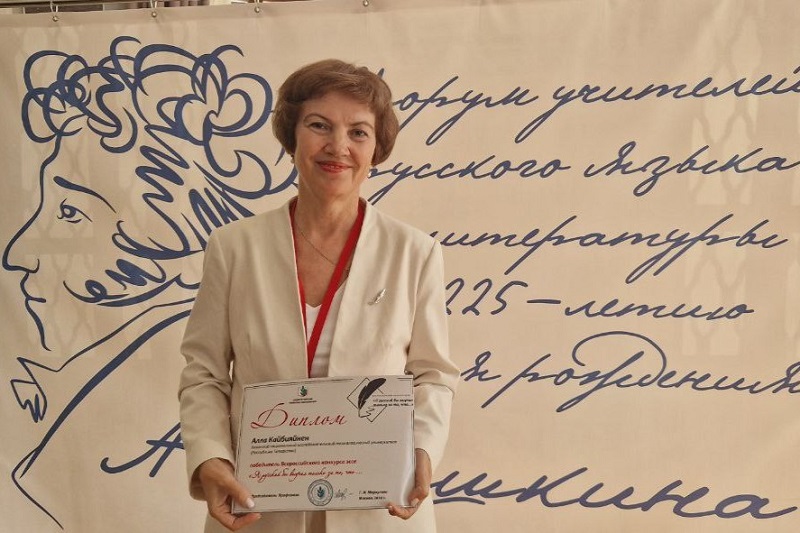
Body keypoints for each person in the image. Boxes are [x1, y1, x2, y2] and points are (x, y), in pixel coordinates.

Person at [178, 59, 459, 533]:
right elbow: (203, 374)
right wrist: (211, 458)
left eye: (358, 132)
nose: (338, 146)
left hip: (379, 508)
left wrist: (422, 451)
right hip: (258, 509)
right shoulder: (233, 248)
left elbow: (433, 375)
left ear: (377, 148)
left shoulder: (415, 252)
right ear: (291, 136)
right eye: (319, 126)